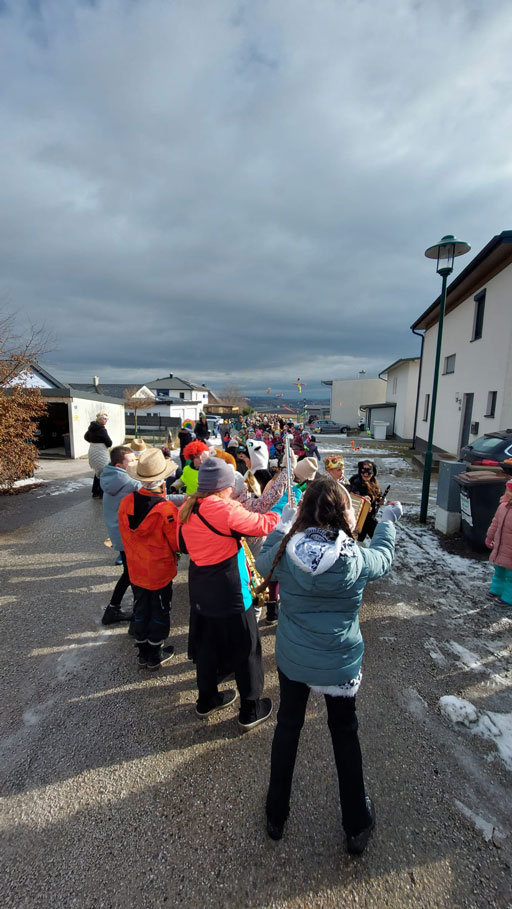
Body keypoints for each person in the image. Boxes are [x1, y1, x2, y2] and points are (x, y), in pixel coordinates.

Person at [255, 477, 401, 853]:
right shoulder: (354, 556)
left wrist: (284, 523)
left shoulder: (287, 552)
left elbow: (261, 561)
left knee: (288, 728)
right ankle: (355, 824)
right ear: (343, 512)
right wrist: (386, 522)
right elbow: (383, 559)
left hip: (294, 658)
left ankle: (276, 815)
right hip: (339, 662)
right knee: (344, 733)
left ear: (305, 512)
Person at [178, 457, 281, 730]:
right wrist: (281, 518)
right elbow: (260, 525)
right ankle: (250, 709)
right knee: (247, 648)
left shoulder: (189, 507)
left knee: (207, 648)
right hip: (230, 590)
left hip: (201, 588)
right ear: (224, 485)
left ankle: (207, 699)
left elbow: (183, 545)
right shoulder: (223, 508)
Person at [119, 448, 180, 670]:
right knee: (160, 611)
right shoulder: (166, 509)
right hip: (159, 571)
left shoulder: (126, 502)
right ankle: (155, 653)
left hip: (136, 569)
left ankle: (143, 650)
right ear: (162, 479)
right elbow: (176, 543)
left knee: (141, 608)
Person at [100, 446, 141, 625]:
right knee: (132, 574)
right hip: (128, 536)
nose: (134, 463)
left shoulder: (110, 477)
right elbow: (153, 498)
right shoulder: (129, 482)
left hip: (117, 534)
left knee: (130, 573)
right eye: (130, 461)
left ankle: (114, 608)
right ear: (119, 464)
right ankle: (118, 610)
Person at [485, 479, 512, 606]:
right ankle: (496, 590)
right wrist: (489, 537)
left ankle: (508, 597)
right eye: (508, 490)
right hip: (501, 547)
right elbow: (495, 523)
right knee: (499, 569)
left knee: (510, 576)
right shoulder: (502, 507)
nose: (508, 493)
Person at [348, 460, 384, 542]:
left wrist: (381, 499)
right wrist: (364, 499)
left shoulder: (374, 483)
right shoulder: (356, 482)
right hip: (360, 519)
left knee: (377, 538)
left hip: (370, 518)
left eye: (369, 474)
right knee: (357, 541)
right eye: (363, 473)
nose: (366, 475)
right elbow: (354, 495)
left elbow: (378, 495)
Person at [84, 412, 112, 498]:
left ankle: (95, 491)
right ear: (100, 419)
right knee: (104, 471)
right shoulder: (102, 429)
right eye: (105, 419)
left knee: (97, 472)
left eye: (107, 419)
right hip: (101, 452)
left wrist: (93, 442)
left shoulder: (91, 428)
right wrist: (102, 444)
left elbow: (86, 437)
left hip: (92, 450)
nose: (106, 421)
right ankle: (101, 493)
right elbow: (109, 442)